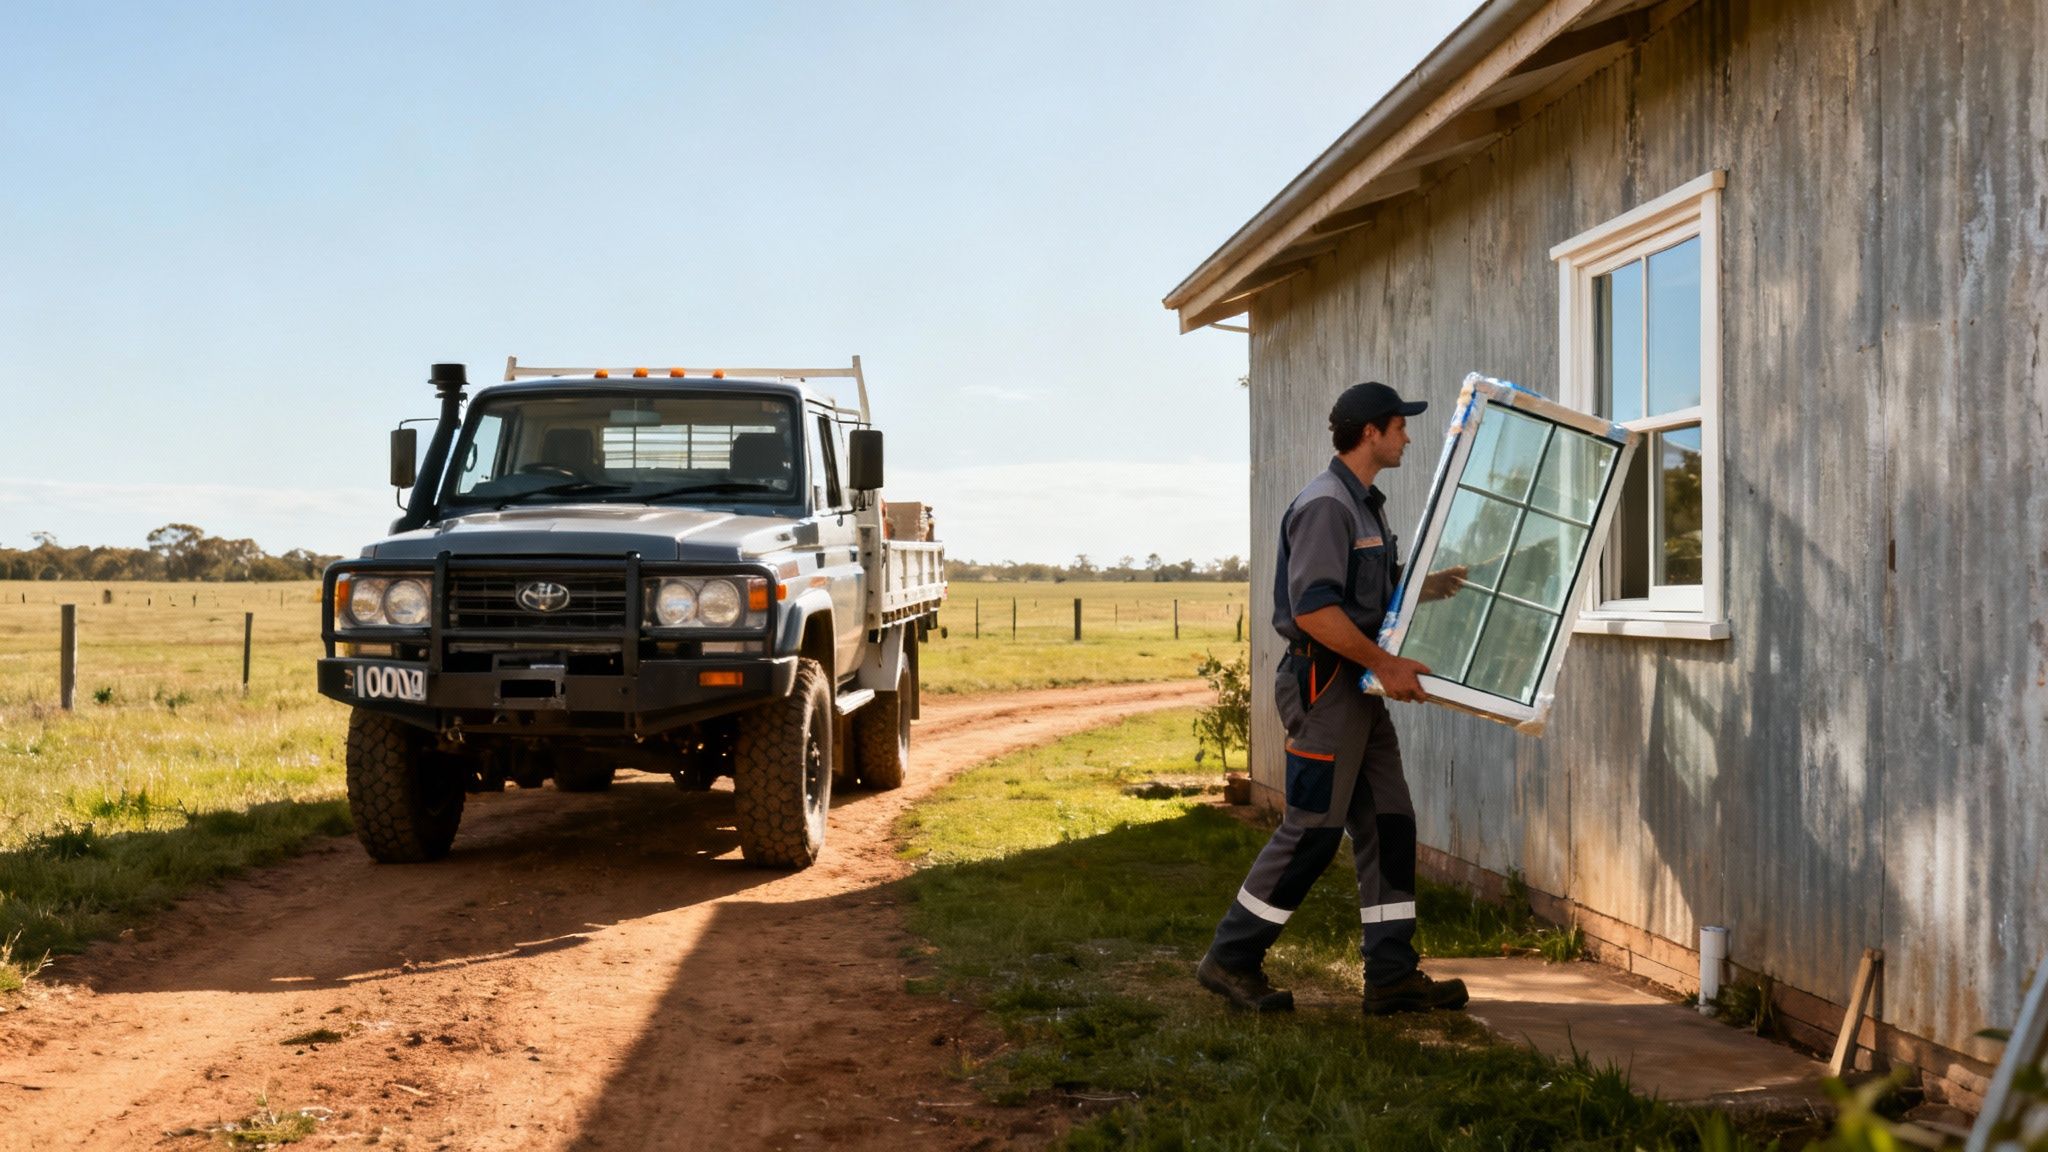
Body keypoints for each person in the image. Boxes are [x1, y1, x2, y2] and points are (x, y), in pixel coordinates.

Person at [1197, 380, 1471, 1017]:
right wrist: (1387, 663)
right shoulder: (1326, 505)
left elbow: (1364, 590)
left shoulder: (1365, 504)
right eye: (1400, 426)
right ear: (1370, 432)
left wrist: (1423, 587)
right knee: (1313, 832)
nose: (1407, 436)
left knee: (1389, 822)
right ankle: (1232, 958)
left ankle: (1391, 974)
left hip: (1358, 688)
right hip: (1326, 688)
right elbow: (1315, 609)